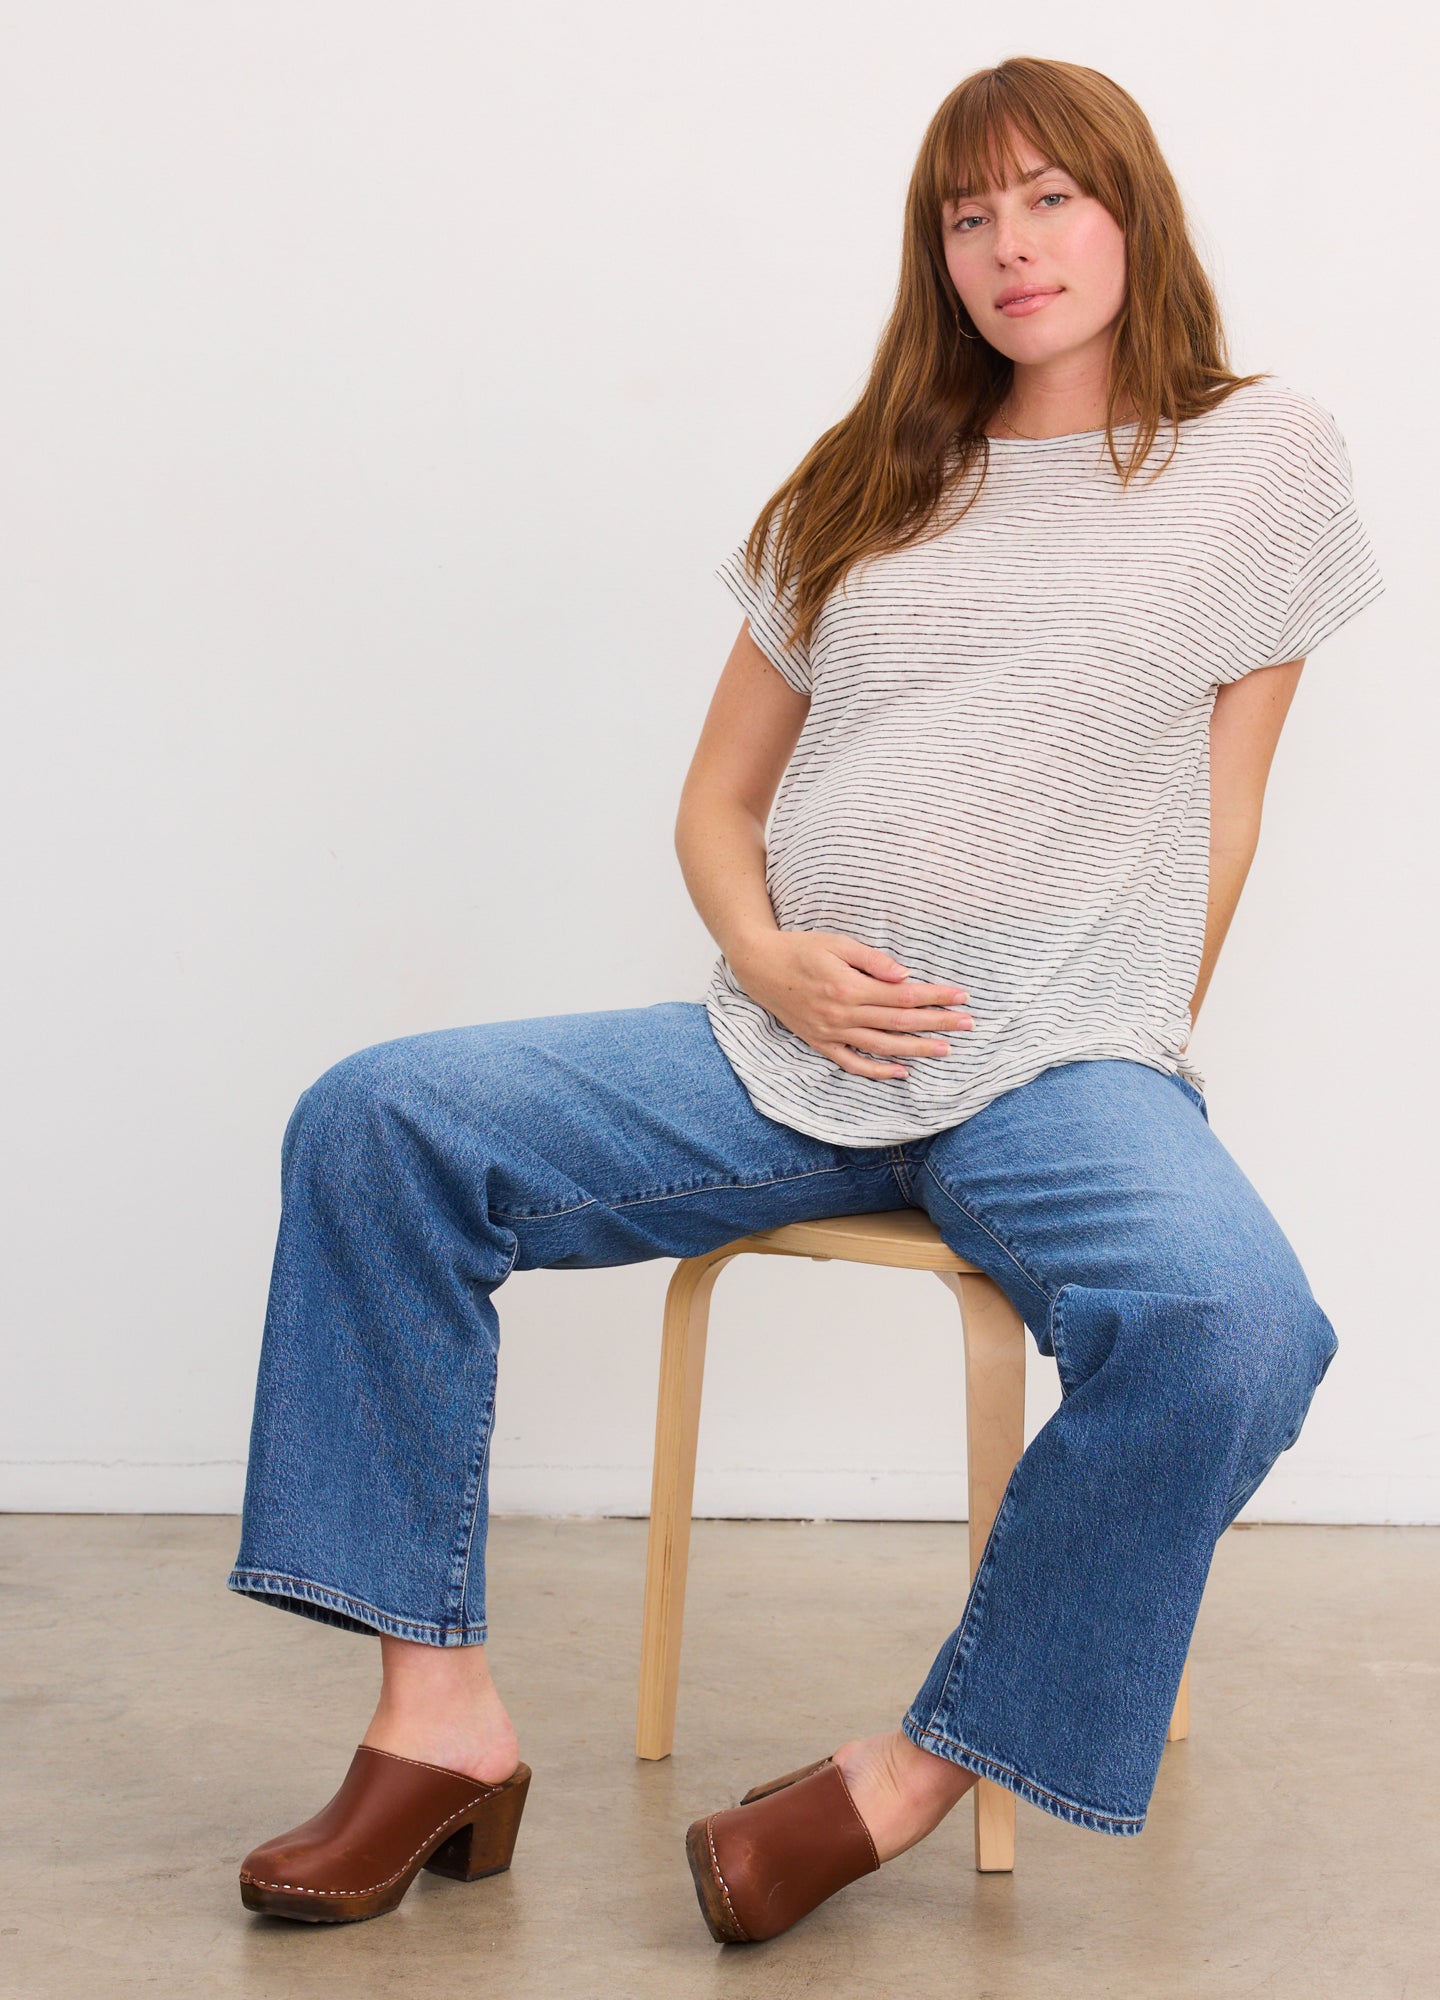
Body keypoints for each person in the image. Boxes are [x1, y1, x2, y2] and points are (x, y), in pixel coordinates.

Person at [229, 55, 1386, 1942]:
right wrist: (766, 955)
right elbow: (716, 804)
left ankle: (905, 1775)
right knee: (378, 1117)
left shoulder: (1258, 462)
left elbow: (1230, 807)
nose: (1012, 245)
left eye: (1050, 198)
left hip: (1067, 1073)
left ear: (1132, 211)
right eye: (967, 212)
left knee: (1238, 1325)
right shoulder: (863, 480)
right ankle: (435, 1725)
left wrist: (1121, 1040)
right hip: (774, 1057)